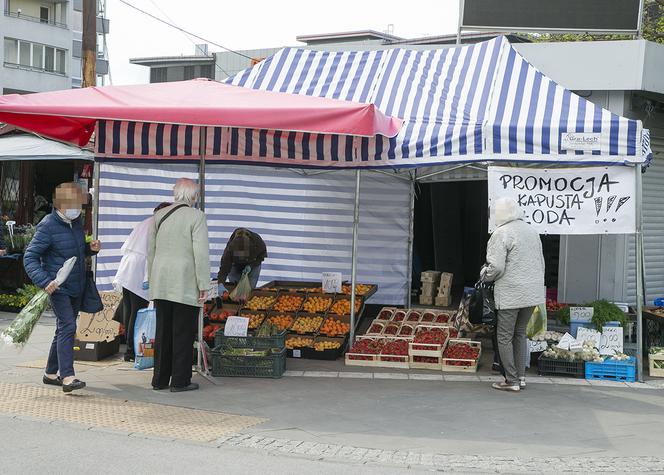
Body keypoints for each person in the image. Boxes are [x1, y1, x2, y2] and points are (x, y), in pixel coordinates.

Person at [23, 182, 102, 393]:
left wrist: (89, 249)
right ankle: (67, 376)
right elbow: (30, 257)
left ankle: (50, 373)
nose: (78, 208)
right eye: (73, 204)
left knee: (63, 329)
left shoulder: (75, 222)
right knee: (68, 327)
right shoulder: (47, 225)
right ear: (60, 204)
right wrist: (44, 281)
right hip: (57, 287)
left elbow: (73, 251)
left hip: (77, 284)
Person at [147, 179, 210, 392]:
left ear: (175, 194)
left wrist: (152, 280)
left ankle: (159, 380)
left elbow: (151, 252)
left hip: (162, 281)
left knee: (163, 331)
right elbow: (200, 254)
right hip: (184, 281)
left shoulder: (159, 216)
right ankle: (180, 381)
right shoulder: (197, 216)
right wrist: (204, 283)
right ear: (193, 196)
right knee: (183, 332)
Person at [482, 197, 544, 393]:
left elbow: (497, 267)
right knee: (520, 333)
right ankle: (521, 377)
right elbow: (540, 262)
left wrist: (484, 274)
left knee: (504, 336)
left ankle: (511, 380)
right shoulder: (531, 231)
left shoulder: (501, 233)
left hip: (511, 293)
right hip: (532, 292)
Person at [113, 202, 171, 362]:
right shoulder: (158, 226)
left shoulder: (144, 222)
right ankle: (131, 352)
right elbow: (152, 253)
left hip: (128, 268)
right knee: (136, 313)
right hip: (140, 271)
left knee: (129, 311)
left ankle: (129, 350)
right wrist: (148, 278)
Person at [217, 228, 267, 293]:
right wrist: (220, 284)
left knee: (249, 291)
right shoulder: (229, 250)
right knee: (235, 290)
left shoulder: (257, 243)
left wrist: (251, 266)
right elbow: (224, 269)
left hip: (253, 264)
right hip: (235, 265)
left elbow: (261, 256)